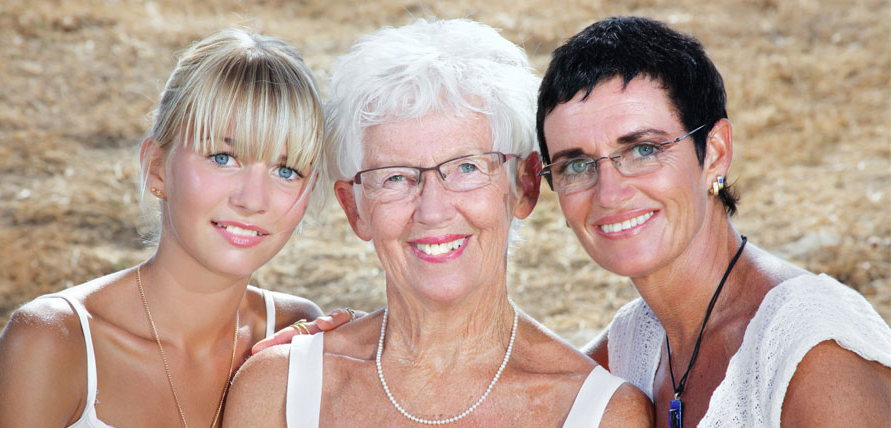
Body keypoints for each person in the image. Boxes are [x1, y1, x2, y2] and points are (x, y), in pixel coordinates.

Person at [224, 18, 652, 427]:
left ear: (524, 186)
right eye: (395, 176)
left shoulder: (604, 413)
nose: (432, 209)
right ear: (354, 209)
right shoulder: (277, 389)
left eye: (466, 167)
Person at [0, 28, 353, 427]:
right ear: (157, 167)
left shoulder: (294, 334)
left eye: (286, 170)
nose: (253, 200)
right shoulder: (52, 341)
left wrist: (370, 361)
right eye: (223, 157)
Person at [535, 16, 891, 427]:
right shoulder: (635, 345)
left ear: (716, 153)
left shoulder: (816, 357)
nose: (609, 193)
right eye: (576, 165)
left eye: (644, 150)